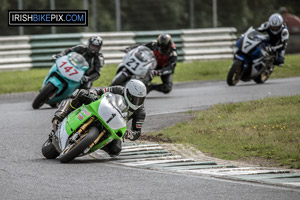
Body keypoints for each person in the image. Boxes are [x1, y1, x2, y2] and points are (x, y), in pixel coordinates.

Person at [51, 79, 147, 157]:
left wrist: (130, 134)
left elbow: (137, 131)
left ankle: (94, 143)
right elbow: (100, 91)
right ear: (127, 92)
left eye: (140, 100)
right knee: (82, 94)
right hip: (102, 110)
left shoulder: (140, 112)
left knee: (116, 150)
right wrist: (93, 93)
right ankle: (62, 114)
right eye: (134, 98)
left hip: (113, 125)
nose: (137, 102)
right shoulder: (118, 89)